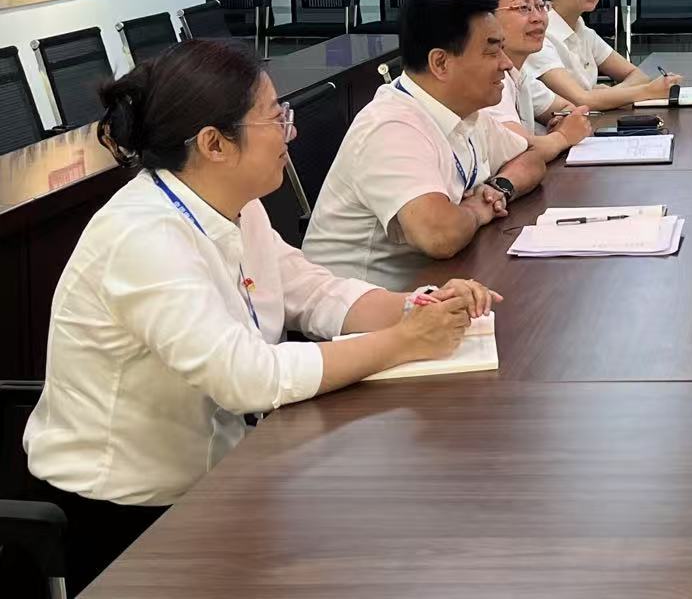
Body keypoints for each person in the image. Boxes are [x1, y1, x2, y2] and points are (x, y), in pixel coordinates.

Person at [22, 40, 495, 593]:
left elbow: (313, 291)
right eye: (275, 117)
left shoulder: (235, 205)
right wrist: (404, 341)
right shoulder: (142, 236)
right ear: (214, 144)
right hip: (128, 517)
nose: (291, 131)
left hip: (222, 476)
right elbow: (247, 378)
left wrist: (419, 306)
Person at [303, 0, 548, 287]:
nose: (506, 63)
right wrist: (478, 208)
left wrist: (500, 187)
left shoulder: (466, 111)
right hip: (362, 305)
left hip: (433, 287)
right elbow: (439, 235)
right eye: (492, 50)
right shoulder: (391, 127)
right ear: (440, 63)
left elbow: (532, 157)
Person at [530, 0, 680, 108]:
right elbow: (582, 101)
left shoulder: (583, 31)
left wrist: (606, 95)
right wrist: (648, 91)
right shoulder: (539, 36)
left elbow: (638, 76)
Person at [475, 0, 595, 155]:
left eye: (540, 6)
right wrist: (562, 137)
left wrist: (561, 124)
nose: (537, 18)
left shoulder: (520, 74)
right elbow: (520, 151)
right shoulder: (487, 79)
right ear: (486, 17)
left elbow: (569, 110)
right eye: (523, 8)